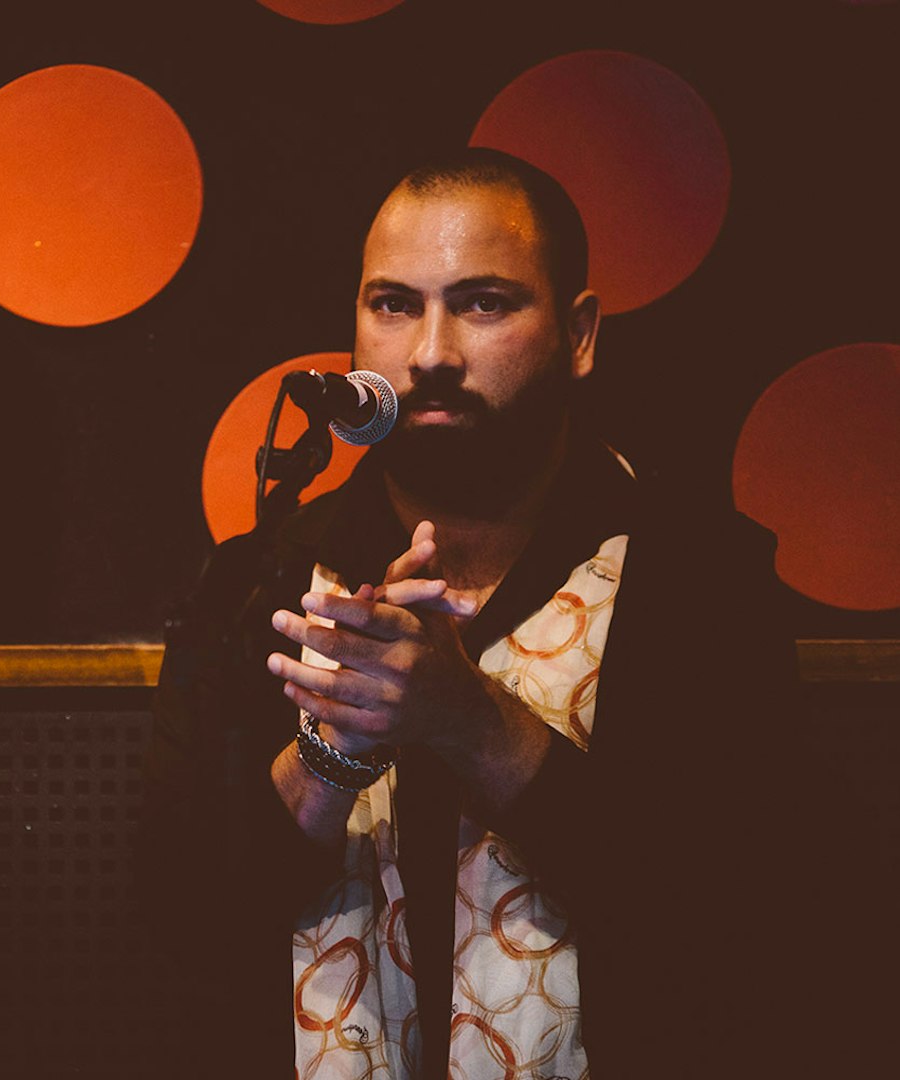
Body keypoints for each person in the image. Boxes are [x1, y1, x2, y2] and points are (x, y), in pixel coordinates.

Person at [141, 148, 798, 1078]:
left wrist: (470, 721)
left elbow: (737, 925)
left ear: (578, 336)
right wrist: (332, 755)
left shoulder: (700, 580)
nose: (431, 352)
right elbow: (181, 928)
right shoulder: (263, 582)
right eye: (393, 304)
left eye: (484, 302)